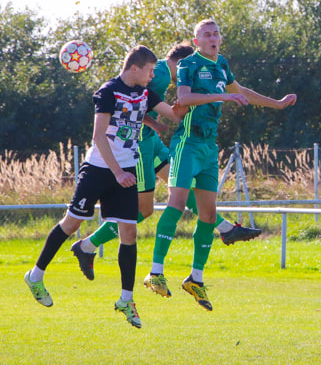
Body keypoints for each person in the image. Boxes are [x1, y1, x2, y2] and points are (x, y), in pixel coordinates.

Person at [23, 45, 184, 329]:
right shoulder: (108, 92)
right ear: (135, 68)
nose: (153, 75)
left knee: (129, 232)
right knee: (72, 224)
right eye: (149, 70)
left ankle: (126, 299)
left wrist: (202, 94)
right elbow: (99, 136)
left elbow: (172, 114)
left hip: (125, 172)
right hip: (100, 170)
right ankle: (35, 276)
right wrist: (118, 171)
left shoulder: (145, 92)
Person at [69, 42, 260, 281]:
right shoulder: (159, 75)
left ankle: (224, 228)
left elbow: (139, 102)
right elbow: (131, 101)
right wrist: (154, 122)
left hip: (152, 142)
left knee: (179, 188)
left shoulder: (159, 72)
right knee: (144, 210)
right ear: (180, 64)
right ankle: (87, 246)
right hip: (139, 147)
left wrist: (155, 124)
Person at [143, 18, 297, 310]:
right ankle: (155, 273)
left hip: (208, 148)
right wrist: (223, 95)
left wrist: (276, 103)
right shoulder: (189, 64)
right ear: (197, 40)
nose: (213, 38)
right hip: (187, 143)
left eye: (216, 34)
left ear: (220, 39)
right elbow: (185, 97)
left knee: (208, 214)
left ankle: (195, 280)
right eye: (207, 34)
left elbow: (242, 91)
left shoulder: (222, 64)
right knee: (176, 204)